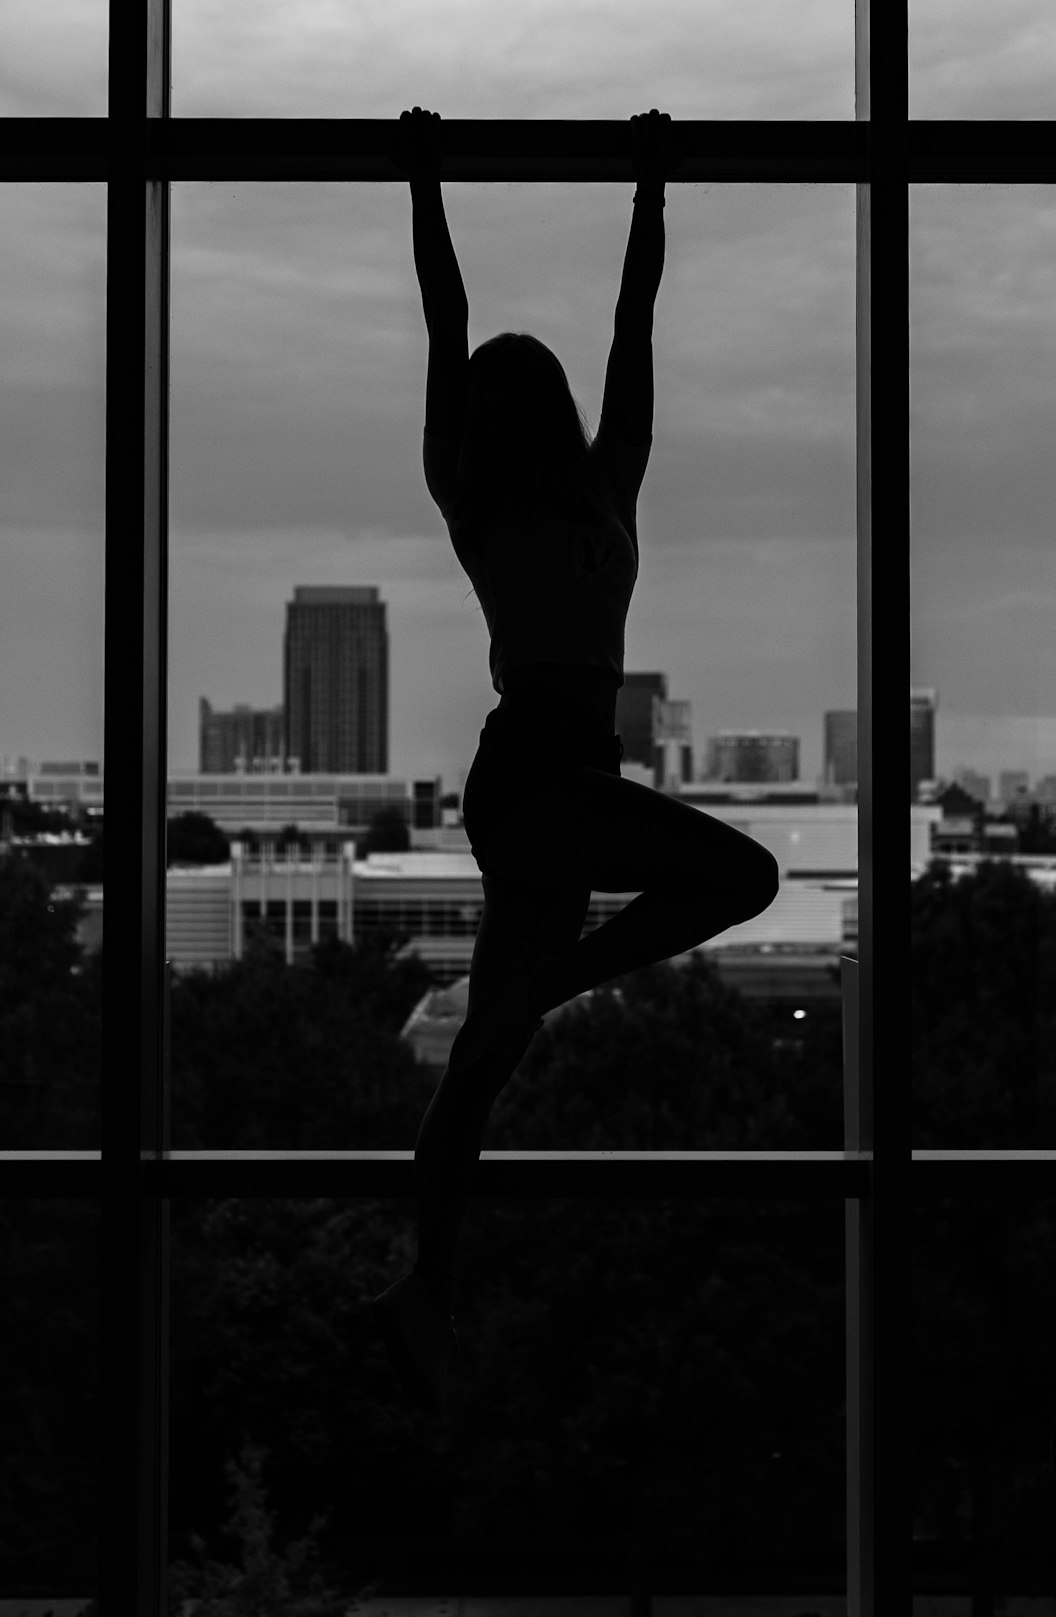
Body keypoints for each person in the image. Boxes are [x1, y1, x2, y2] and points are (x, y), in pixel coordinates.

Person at [371, 107, 780, 1416]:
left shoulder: (564, 488)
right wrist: (428, 179)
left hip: (544, 775)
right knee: (743, 877)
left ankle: (425, 1282)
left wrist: (649, 191)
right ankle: (554, 994)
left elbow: (616, 331)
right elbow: (473, 321)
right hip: (548, 771)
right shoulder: (554, 494)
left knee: (488, 1053)